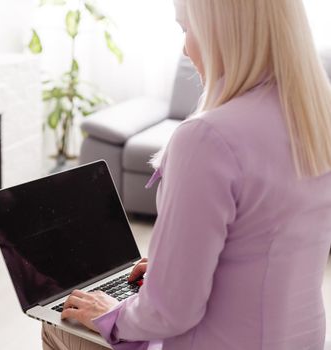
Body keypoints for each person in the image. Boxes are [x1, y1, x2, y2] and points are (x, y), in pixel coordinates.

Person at [42, 0, 331, 349]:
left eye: (186, 29)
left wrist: (112, 313)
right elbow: (268, 247)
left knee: (58, 325)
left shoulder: (208, 138)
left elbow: (171, 313)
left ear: (224, 31)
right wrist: (174, 267)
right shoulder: (316, 116)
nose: (185, 47)